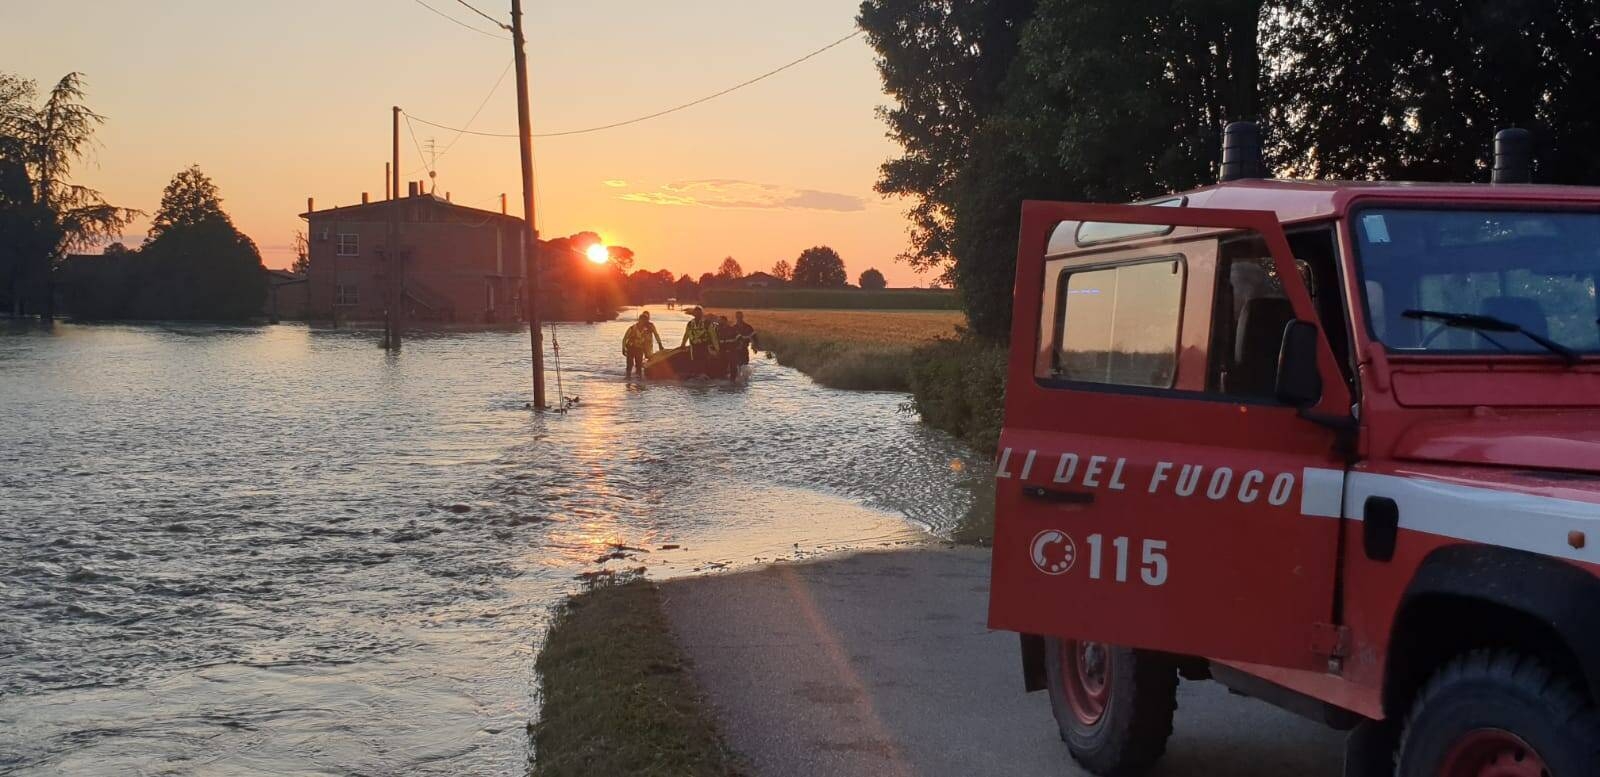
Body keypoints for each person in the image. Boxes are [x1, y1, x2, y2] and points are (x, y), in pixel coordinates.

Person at [621, 311, 665, 378]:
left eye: (646, 321)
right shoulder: (632, 328)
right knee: (629, 365)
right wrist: (623, 348)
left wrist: (660, 344)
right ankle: (628, 380)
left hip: (640, 348)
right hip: (631, 348)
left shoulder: (648, 328)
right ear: (640, 320)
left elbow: (655, 335)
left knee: (639, 365)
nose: (645, 322)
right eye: (644, 320)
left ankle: (639, 381)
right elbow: (624, 339)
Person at [680, 307, 718, 375]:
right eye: (696, 313)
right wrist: (683, 344)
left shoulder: (707, 323)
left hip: (703, 346)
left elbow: (713, 336)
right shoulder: (690, 323)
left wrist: (717, 348)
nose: (697, 315)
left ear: (702, 314)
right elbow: (686, 334)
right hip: (694, 346)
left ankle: (703, 374)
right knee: (695, 361)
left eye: (699, 313)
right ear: (694, 314)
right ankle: (697, 374)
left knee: (703, 361)